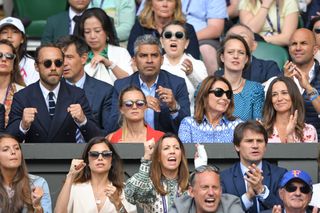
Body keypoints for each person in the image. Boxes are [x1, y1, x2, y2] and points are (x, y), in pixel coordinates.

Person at [6, 43, 101, 143]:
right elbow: (8, 140)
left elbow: (97, 137)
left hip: (68, 157)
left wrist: (83, 121)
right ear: (36, 66)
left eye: (58, 63)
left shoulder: (76, 94)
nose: (53, 68)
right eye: (47, 63)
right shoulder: (22, 96)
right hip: (35, 157)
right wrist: (23, 125)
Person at [110, 34, 190, 134]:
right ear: (134, 61)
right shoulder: (121, 86)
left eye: (154, 55)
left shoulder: (177, 83)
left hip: (164, 145)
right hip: (132, 144)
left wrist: (174, 107)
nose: (149, 61)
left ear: (162, 60)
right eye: (143, 56)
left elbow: (187, 130)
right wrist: (137, 105)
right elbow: (111, 126)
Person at [55, 137, 136, 213]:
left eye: (106, 154)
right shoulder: (75, 188)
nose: (100, 158)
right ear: (87, 161)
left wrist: (118, 203)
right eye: (94, 154)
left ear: (112, 161)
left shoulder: (125, 190)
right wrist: (70, 176)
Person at [220, 120, 287, 213]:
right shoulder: (224, 178)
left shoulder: (280, 174)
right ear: (237, 146)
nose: (255, 146)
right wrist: (248, 197)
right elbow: (223, 211)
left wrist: (262, 191)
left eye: (259, 141)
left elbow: (286, 209)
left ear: (265, 146)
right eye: (249, 141)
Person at [56, 35, 114, 135]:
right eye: (60, 58)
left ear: (83, 58)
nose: (64, 63)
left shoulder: (105, 91)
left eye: (69, 57)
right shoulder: (51, 90)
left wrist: (84, 121)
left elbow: (108, 134)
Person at [125, 133, 189, 212]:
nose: (172, 151)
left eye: (176, 148)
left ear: (181, 155)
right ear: (158, 157)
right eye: (166, 148)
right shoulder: (151, 185)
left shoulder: (189, 186)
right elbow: (131, 193)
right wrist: (147, 158)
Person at [160, 21, 207, 115]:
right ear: (161, 42)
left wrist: (192, 74)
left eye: (179, 35)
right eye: (168, 35)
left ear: (186, 43)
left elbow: (206, 94)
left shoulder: (198, 64)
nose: (173, 39)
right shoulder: (154, 64)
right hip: (160, 121)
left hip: (190, 120)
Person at [127, 0, 200, 60]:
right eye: (160, 0)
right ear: (151, 5)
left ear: (176, 6)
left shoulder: (188, 29)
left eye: (170, 0)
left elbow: (193, 60)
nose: (165, 4)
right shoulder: (140, 26)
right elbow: (132, 55)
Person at [178, 76, 242, 143]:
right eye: (219, 92)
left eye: (228, 94)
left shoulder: (237, 125)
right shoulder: (188, 124)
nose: (225, 97)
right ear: (205, 95)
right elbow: (186, 152)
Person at [79, 8, 133, 85]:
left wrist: (110, 64)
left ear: (107, 31)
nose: (92, 36)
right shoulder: (79, 56)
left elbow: (130, 82)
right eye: (87, 32)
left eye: (97, 31)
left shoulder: (121, 52)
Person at [217, 35, 264, 121]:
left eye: (241, 53)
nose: (236, 56)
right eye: (230, 52)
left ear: (246, 59)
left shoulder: (255, 89)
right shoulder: (208, 87)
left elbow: (258, 126)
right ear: (222, 57)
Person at [0, 134, 52, 212]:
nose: (13, 152)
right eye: (5, 149)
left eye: (17, 148)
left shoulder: (38, 183)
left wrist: (37, 206)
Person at [284, 28, 320, 138]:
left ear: (315, 50)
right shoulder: (279, 78)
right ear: (289, 49)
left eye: (303, 43)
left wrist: (308, 88)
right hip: (286, 144)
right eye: (294, 44)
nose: (298, 48)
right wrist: (286, 84)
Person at [216, 23, 281, 84]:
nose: (238, 40)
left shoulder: (268, 68)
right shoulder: (219, 75)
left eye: (243, 36)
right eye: (233, 37)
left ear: (254, 45)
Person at [263, 76, 317, 143]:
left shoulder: (309, 131)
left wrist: (290, 136)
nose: (279, 98)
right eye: (274, 94)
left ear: (294, 96)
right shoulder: (261, 129)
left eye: (284, 93)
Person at [170, 165, 245, 213]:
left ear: (221, 191)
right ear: (191, 191)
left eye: (215, 187)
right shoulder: (180, 207)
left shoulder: (231, 205)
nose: (211, 193)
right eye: (204, 187)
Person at [182, 0, 228, 75]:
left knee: (206, 49)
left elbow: (216, 28)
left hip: (203, 38)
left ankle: (212, 83)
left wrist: (190, 37)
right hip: (175, 32)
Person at [0, 17, 39, 85]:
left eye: (15, 32)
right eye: (4, 32)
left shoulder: (32, 65)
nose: (9, 36)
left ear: (22, 39)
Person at [0, 39, 25, 127]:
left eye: (9, 56)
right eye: (0, 55)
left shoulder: (24, 92)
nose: (3, 59)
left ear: (14, 63)